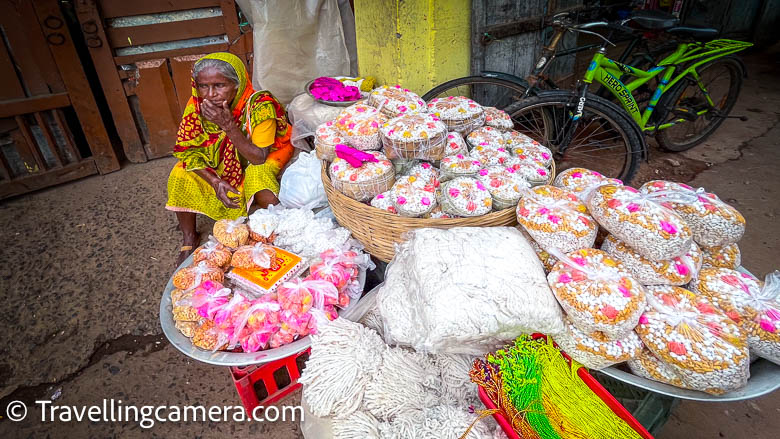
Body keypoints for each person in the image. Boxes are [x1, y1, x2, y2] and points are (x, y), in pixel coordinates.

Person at [165, 52, 294, 265]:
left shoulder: (260, 106)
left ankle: (277, 232)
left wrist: (228, 126)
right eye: (203, 86)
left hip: (265, 153)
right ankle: (189, 236)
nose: (210, 94)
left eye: (219, 85)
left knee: (259, 178)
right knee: (180, 173)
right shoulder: (197, 104)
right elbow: (189, 150)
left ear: (237, 84)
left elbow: (258, 157)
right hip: (224, 156)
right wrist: (214, 181)